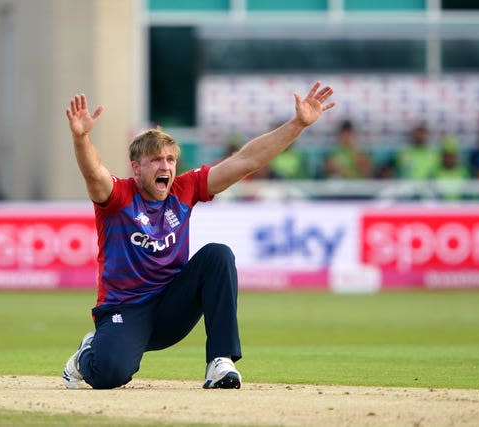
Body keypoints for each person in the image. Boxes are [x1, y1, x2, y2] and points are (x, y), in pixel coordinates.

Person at [61, 81, 335, 390]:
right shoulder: (118, 196)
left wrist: (297, 124)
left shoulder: (184, 189)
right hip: (126, 310)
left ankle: (220, 361)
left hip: (172, 309)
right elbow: (93, 172)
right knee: (109, 374)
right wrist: (81, 137)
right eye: (155, 160)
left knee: (217, 255)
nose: (165, 166)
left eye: (170, 160)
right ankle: (87, 352)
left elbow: (246, 161)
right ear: (136, 168)